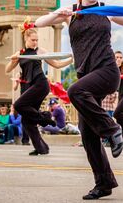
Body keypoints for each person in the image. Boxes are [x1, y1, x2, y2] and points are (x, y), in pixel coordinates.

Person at [34, 0, 123, 200]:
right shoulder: (72, 12)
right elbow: (39, 22)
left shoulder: (105, 10)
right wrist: (56, 13)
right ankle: (104, 183)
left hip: (107, 71)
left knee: (74, 91)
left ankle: (112, 130)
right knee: (87, 134)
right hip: (86, 75)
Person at [5, 17, 73, 155]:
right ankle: (41, 148)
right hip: (29, 86)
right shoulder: (20, 53)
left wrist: (71, 60)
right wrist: (13, 61)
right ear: (26, 39)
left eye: (37, 40)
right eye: (33, 40)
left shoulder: (40, 51)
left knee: (18, 105)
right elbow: (7, 69)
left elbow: (57, 64)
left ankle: (45, 118)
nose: (35, 42)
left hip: (40, 84)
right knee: (26, 121)